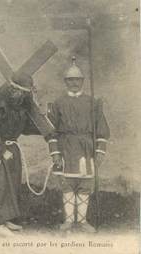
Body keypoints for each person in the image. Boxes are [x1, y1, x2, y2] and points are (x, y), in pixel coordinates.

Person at [47, 57, 110, 232]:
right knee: (67, 183)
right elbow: (51, 131)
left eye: (77, 79)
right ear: (65, 82)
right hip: (66, 146)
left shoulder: (93, 102)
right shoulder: (58, 103)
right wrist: (55, 153)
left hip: (86, 147)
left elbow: (101, 128)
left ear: (82, 81)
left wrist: (100, 151)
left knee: (84, 184)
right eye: (70, 80)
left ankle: (82, 221)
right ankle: (68, 220)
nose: (74, 83)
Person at [0, 72, 43, 236]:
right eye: (20, 92)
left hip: (11, 149)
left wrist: (45, 126)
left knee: (10, 184)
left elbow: (25, 128)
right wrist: (0, 151)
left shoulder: (19, 109)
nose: (21, 96)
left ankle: (5, 219)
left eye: (25, 94)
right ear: (12, 90)